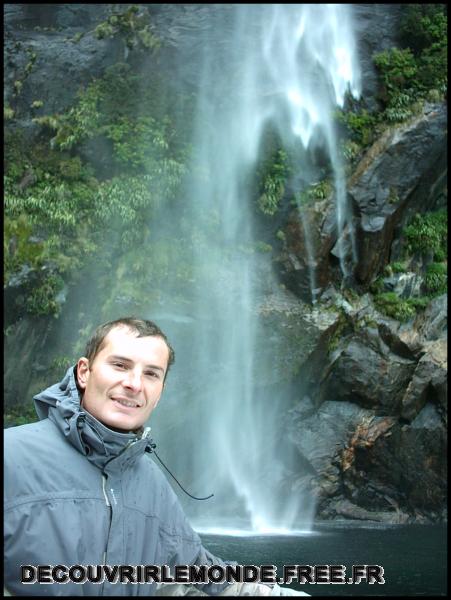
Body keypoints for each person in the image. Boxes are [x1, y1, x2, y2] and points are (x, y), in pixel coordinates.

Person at [4, 317, 307, 597]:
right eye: (120, 365)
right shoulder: (11, 455)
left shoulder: (150, 481)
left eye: (151, 374)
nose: (135, 384)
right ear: (84, 372)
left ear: (160, 391)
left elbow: (199, 575)